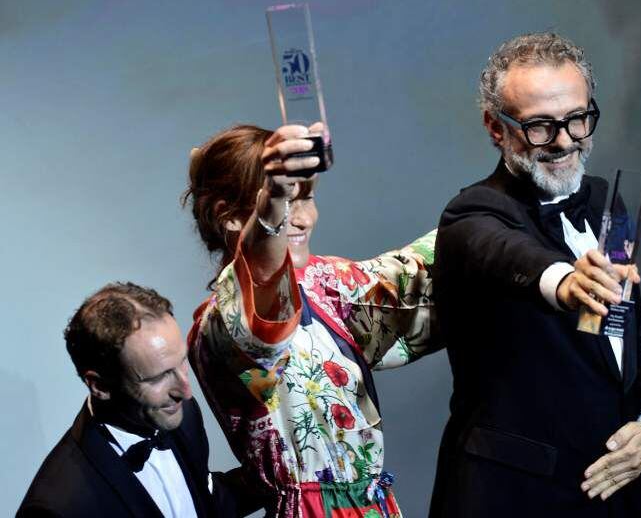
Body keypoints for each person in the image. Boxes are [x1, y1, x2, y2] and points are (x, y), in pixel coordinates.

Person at [430, 32, 641, 517]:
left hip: (620, 495)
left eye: (578, 120)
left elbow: (635, 334)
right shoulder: (470, 214)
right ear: (495, 128)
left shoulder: (607, 200)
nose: (564, 141)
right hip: (514, 498)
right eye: (540, 126)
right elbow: (505, 253)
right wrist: (565, 282)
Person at [183, 123, 436, 517]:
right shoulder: (218, 327)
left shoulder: (325, 282)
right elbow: (262, 301)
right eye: (284, 201)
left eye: (307, 197)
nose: (301, 218)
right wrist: (272, 209)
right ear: (230, 217)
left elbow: (424, 272)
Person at [18, 282, 255, 518]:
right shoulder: (58, 507)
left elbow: (206, 501)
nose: (185, 391)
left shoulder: (183, 414)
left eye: (182, 361)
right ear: (100, 386)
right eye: (158, 377)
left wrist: (279, 479)